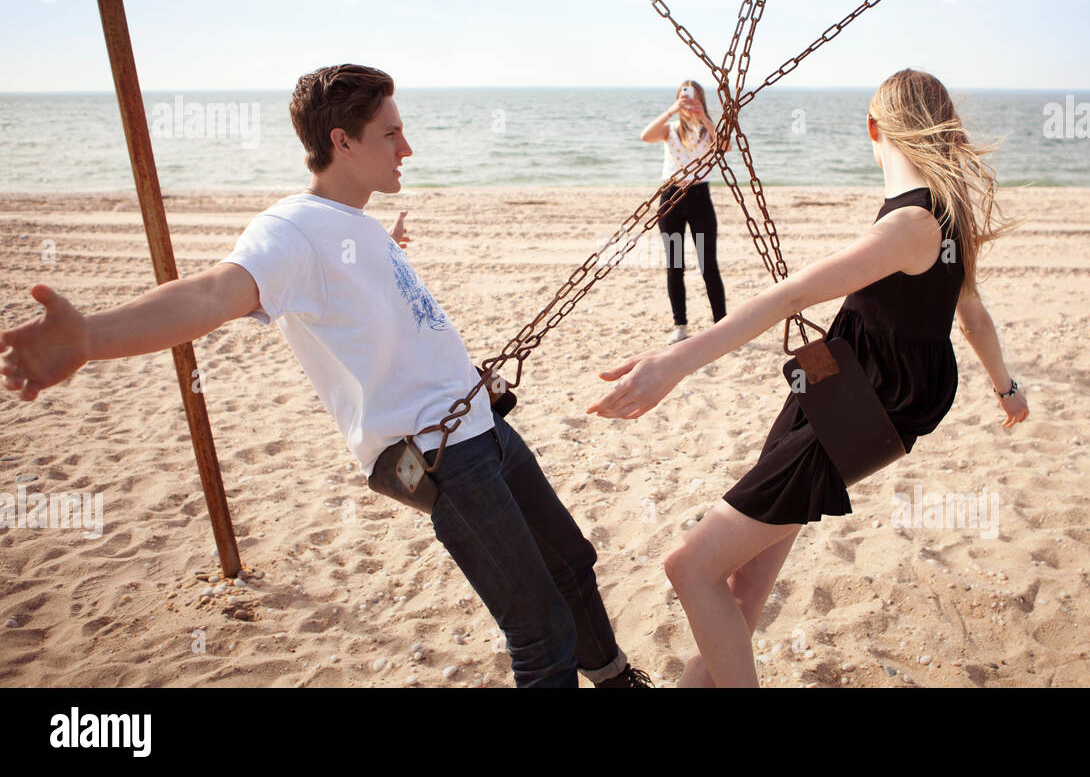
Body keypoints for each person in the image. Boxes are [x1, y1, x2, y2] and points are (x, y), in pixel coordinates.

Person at [1, 63, 651, 689]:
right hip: (441, 453)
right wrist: (88, 336)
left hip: (481, 426)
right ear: (341, 141)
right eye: (390, 134)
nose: (408, 148)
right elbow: (210, 294)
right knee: (538, 630)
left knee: (572, 566)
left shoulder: (349, 225)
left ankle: (615, 681)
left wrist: (382, 244)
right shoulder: (290, 231)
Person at [588, 68, 1030, 687]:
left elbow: (782, 298)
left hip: (853, 413)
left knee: (689, 567)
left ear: (872, 129)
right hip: (830, 394)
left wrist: (675, 362)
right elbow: (974, 314)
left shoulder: (908, 228)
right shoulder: (946, 218)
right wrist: (1007, 388)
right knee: (740, 590)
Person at [640, 80, 729, 344]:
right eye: (684, 97)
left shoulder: (707, 131)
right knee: (675, 265)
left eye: (694, 98)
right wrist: (671, 110)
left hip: (700, 197)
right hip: (670, 199)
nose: (689, 102)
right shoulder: (669, 130)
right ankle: (680, 325)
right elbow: (645, 136)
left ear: (701, 100)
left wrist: (703, 117)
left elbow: (725, 147)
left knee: (708, 265)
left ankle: (721, 324)